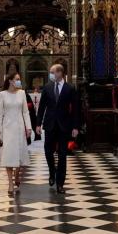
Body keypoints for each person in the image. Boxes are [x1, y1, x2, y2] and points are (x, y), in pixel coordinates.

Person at [36, 63, 80, 194]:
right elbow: (42, 107)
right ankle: (51, 171)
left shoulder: (70, 88)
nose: (51, 74)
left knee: (62, 154)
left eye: (52, 72)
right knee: (48, 151)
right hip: (49, 124)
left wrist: (76, 127)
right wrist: (38, 124)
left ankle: (60, 184)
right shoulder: (47, 87)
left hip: (64, 126)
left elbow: (76, 109)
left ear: (60, 73)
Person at [0, 71, 32, 197]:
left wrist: (29, 128)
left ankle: (17, 174)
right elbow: (0, 113)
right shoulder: (2, 94)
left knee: (19, 154)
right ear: (10, 81)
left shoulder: (22, 93)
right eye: (17, 79)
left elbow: (26, 112)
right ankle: (10, 183)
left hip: (20, 127)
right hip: (8, 128)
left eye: (19, 79)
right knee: (9, 155)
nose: (19, 81)